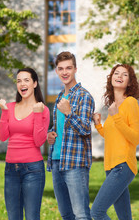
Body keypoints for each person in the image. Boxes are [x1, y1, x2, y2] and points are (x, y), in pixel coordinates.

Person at [46, 51, 95, 220]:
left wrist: (68, 113)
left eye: (68, 68)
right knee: (66, 214)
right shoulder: (60, 97)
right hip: (57, 160)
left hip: (75, 162)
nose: (64, 72)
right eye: (61, 69)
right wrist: (50, 135)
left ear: (75, 69)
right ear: (57, 71)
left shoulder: (84, 96)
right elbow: (59, 127)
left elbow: (85, 129)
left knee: (81, 214)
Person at [0, 67, 50, 220]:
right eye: (19, 81)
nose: (22, 84)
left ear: (34, 83)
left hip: (33, 170)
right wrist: (5, 112)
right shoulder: (11, 107)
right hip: (11, 169)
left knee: (32, 216)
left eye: (26, 80)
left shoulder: (43, 109)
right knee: (13, 217)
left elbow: (39, 141)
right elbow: (2, 136)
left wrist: (38, 114)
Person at [90, 64, 139, 220]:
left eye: (124, 74)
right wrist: (99, 125)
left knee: (97, 212)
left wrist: (117, 117)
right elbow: (114, 136)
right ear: (111, 79)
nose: (119, 76)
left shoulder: (131, 103)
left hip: (123, 165)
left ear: (130, 82)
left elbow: (135, 138)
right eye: (116, 73)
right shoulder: (113, 107)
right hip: (111, 167)